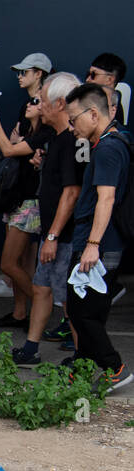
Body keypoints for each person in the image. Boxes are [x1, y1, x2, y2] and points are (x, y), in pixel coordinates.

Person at [0, 52, 54, 329]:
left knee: (10, 265)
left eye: (25, 72)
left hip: (29, 203)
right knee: (20, 262)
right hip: (18, 200)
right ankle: (21, 313)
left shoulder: (45, 132)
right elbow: (12, 162)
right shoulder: (28, 120)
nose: (20, 77)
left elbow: (12, 149)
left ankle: (40, 305)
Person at [62, 82, 131, 389]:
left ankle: (115, 369)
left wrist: (92, 245)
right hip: (103, 243)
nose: (71, 125)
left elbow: (106, 198)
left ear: (93, 114)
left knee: (81, 313)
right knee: (88, 312)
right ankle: (80, 371)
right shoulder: (117, 141)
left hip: (98, 245)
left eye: (73, 118)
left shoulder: (107, 148)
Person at [15, 73, 83, 367]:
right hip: (52, 232)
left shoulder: (70, 141)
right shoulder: (55, 138)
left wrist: (53, 237)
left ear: (59, 103)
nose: (38, 105)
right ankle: (31, 348)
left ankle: (83, 359)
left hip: (65, 236)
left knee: (70, 300)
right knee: (42, 288)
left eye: (42, 100)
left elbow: (72, 192)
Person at [87, 52, 128, 125]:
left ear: (110, 79)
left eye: (93, 75)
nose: (88, 79)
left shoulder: (114, 111)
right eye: (88, 74)